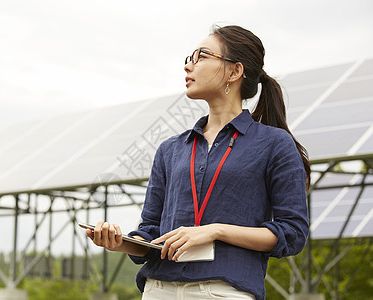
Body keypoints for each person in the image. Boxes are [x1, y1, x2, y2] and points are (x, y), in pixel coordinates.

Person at [86, 25, 310, 300]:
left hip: (222, 292)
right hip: (158, 290)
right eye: (189, 58)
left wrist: (215, 231)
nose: (188, 66)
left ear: (234, 71)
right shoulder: (170, 149)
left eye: (201, 56)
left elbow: (293, 233)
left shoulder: (274, 144)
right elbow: (151, 233)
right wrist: (121, 243)